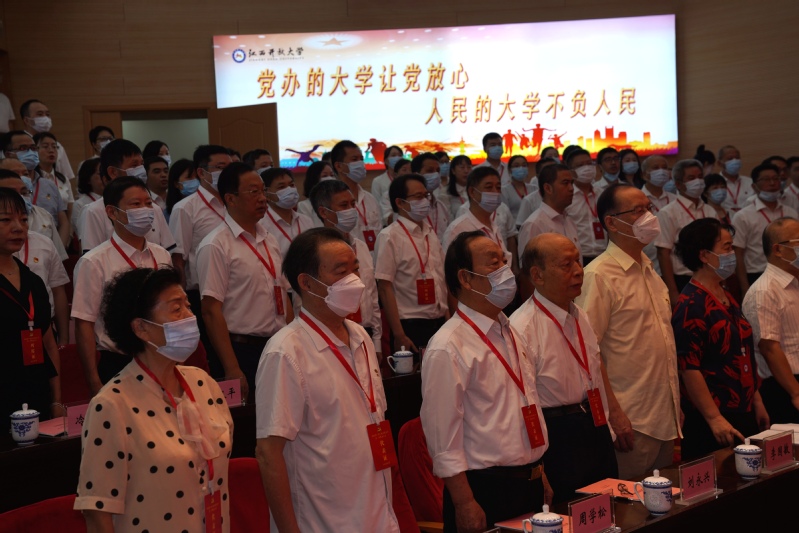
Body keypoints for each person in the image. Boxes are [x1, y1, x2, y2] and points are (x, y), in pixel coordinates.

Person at [256, 228, 400, 532]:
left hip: (377, 515)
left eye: (355, 269)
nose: (355, 280)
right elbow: (269, 454)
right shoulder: (285, 352)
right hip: (324, 521)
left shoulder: (360, 336)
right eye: (341, 271)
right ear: (306, 283)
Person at [75, 267, 233, 533]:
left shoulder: (204, 384)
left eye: (188, 306)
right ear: (141, 328)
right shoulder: (112, 405)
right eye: (176, 309)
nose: (190, 317)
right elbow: (97, 511)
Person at [421, 231, 550, 532]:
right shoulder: (448, 345)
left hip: (528, 480)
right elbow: (443, 437)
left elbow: (525, 404)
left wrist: (539, 472)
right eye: (494, 263)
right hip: (485, 488)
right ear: (465, 278)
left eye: (504, 261)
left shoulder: (509, 330)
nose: (505, 270)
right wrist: (464, 501)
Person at [576, 184, 681, 480]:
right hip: (631, 421)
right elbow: (589, 352)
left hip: (664, 416)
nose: (649, 216)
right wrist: (614, 413)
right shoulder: (598, 276)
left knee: (666, 500)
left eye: (649, 208)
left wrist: (674, 404)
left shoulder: (650, 270)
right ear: (611, 222)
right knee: (630, 505)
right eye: (638, 210)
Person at [511, 233, 616, 503]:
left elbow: (594, 371)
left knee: (608, 509)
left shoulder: (579, 313)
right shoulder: (522, 327)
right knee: (570, 512)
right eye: (566, 265)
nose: (579, 271)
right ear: (538, 275)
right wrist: (537, 463)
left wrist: (610, 422)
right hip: (558, 433)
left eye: (578, 262)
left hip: (594, 423)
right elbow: (523, 403)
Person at [672, 218, 769, 460]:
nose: (732, 254)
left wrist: (756, 400)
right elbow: (689, 368)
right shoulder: (691, 304)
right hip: (714, 416)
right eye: (727, 247)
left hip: (743, 406)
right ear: (704, 255)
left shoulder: (725, 294)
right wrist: (714, 418)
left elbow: (742, 352)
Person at [196, 162, 293, 399]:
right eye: (253, 192)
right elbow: (210, 311)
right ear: (231, 198)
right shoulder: (215, 244)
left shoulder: (269, 239)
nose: (262, 198)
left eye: (263, 191)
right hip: (241, 349)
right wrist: (232, 367)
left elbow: (282, 294)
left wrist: (294, 341)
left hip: (277, 345)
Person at [72, 176, 173, 394]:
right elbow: (84, 324)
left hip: (162, 357)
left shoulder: (162, 255)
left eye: (148, 203)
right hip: (118, 362)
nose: (145, 210)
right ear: (112, 212)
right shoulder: (94, 261)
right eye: (136, 204)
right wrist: (93, 380)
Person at [0, 187, 62, 420]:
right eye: (6, 220)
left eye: (24, 220)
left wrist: (56, 400)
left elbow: (49, 344)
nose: (18, 227)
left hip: (36, 395)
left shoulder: (33, 281)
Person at [376, 174, 448, 353]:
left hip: (440, 321)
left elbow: (441, 278)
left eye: (426, 195)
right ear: (400, 203)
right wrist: (399, 334)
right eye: (418, 196)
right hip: (410, 325)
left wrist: (448, 318)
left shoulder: (429, 232)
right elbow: (384, 287)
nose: (425, 201)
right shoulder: (389, 236)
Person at [310, 179, 382, 357]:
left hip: (364, 331)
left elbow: (372, 295)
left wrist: (377, 341)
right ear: (324, 212)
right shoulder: (313, 251)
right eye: (343, 205)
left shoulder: (361, 247)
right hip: (330, 334)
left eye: (352, 204)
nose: (351, 210)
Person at [743, 217, 799, 423]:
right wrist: (795, 392)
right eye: (798, 242)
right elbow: (769, 348)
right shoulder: (764, 291)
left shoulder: (795, 281)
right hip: (784, 385)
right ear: (778, 250)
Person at [78, 139, 176, 254]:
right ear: (113, 172)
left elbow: (168, 253)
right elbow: (92, 258)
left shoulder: (154, 208)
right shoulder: (94, 211)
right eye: (134, 165)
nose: (141, 170)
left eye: (141, 164)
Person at [655, 159, 717, 304]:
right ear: (678, 184)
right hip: (683, 279)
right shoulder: (668, 213)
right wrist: (673, 291)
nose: (698, 181)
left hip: (711, 276)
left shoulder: (710, 210)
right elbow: (663, 253)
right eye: (691, 178)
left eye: (700, 177)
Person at [733, 163, 799, 294]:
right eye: (766, 179)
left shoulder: (790, 212)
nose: (772, 183)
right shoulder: (743, 216)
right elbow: (738, 253)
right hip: (757, 274)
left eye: (776, 178)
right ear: (754, 186)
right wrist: (744, 287)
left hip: (790, 272)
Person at [444, 166, 519, 274]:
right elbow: (451, 272)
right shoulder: (458, 229)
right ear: (472, 192)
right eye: (489, 187)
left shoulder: (493, 225)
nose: (495, 192)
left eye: (498, 187)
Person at [3, 130, 70, 248]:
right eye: (23, 148)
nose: (30, 152)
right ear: (8, 154)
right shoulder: (4, 184)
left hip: (45, 247)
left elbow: (63, 222)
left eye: (33, 148)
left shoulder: (49, 185)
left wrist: (58, 249)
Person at [517, 164, 580, 264]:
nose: (571, 188)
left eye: (571, 183)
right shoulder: (534, 224)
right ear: (548, 188)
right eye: (565, 183)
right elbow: (528, 268)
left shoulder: (569, 221)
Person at [0, 168, 68, 261]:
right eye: (6, 219)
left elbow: (58, 261)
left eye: (24, 192)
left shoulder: (44, 240)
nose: (19, 198)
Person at [331, 140, 382, 253]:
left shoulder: (370, 199)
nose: (360, 163)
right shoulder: (330, 200)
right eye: (354, 160)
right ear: (339, 166)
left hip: (374, 259)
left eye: (361, 159)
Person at [258, 167, 312, 258]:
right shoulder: (260, 225)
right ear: (266, 193)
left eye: (291, 185)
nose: (289, 190)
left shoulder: (306, 221)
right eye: (281, 187)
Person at [565, 149, 606, 265]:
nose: (587, 168)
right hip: (577, 257)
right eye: (580, 165)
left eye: (589, 163)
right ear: (571, 171)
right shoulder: (567, 197)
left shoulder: (602, 194)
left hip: (604, 254)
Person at [20, 99, 74, 181]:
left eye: (47, 114)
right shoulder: (18, 145)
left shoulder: (57, 145)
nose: (45, 118)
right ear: (27, 120)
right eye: (40, 114)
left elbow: (65, 177)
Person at [34, 132, 74, 227]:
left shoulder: (63, 179)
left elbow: (70, 207)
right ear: (35, 150)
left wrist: (68, 232)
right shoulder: (33, 178)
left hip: (62, 227)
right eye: (45, 146)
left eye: (54, 147)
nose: (51, 150)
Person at [411, 152, 450, 240]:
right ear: (416, 175)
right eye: (430, 171)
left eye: (438, 171)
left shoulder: (441, 206)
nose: (436, 175)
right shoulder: (410, 207)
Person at [515, 157, 559, 226]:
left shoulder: (567, 196)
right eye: (548, 172)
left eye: (555, 171)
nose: (553, 175)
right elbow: (521, 226)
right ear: (538, 176)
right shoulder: (529, 201)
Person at [372, 144, 404, 224]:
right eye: (393, 155)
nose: (397, 158)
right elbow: (376, 205)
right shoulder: (378, 181)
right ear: (386, 161)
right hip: (386, 221)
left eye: (400, 155)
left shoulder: (407, 180)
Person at [296, 160, 334, 226]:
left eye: (332, 175)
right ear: (314, 179)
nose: (330, 178)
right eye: (325, 176)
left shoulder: (338, 202)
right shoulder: (305, 205)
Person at [717, 145, 753, 213]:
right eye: (730, 158)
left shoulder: (750, 182)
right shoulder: (713, 184)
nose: (735, 161)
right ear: (719, 163)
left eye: (737, 158)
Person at [73, 158, 104, 232]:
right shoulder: (80, 204)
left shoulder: (114, 199)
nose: (105, 177)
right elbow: (83, 232)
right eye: (100, 174)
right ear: (88, 179)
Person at [501, 155, 536, 220]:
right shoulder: (504, 190)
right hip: (514, 224)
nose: (521, 168)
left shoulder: (534, 188)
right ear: (510, 170)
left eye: (524, 165)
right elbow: (504, 213)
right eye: (516, 166)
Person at [442, 155, 471, 220]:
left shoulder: (476, 190)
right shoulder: (445, 192)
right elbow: (447, 218)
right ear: (453, 171)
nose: (466, 171)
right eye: (462, 167)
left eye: (469, 167)